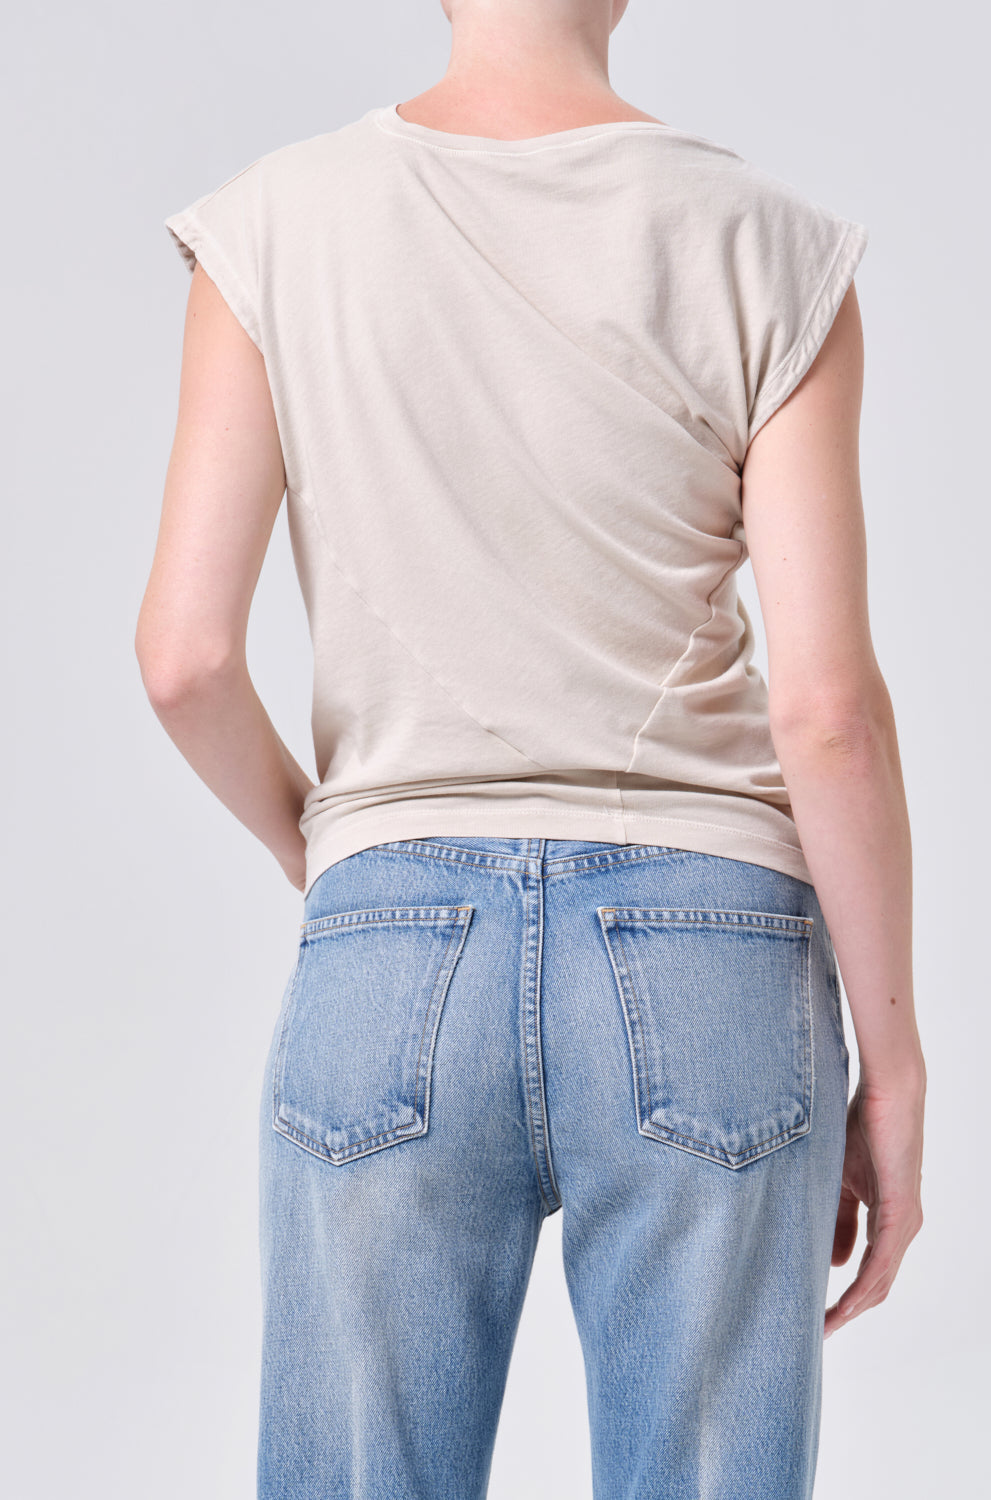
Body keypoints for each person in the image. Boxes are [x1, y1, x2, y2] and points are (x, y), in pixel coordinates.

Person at [135, 1, 926, 1495]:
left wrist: (337, 858)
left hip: (391, 933)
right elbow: (826, 712)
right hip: (712, 942)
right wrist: (890, 1072)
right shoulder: (766, 241)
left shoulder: (271, 228)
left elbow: (182, 660)